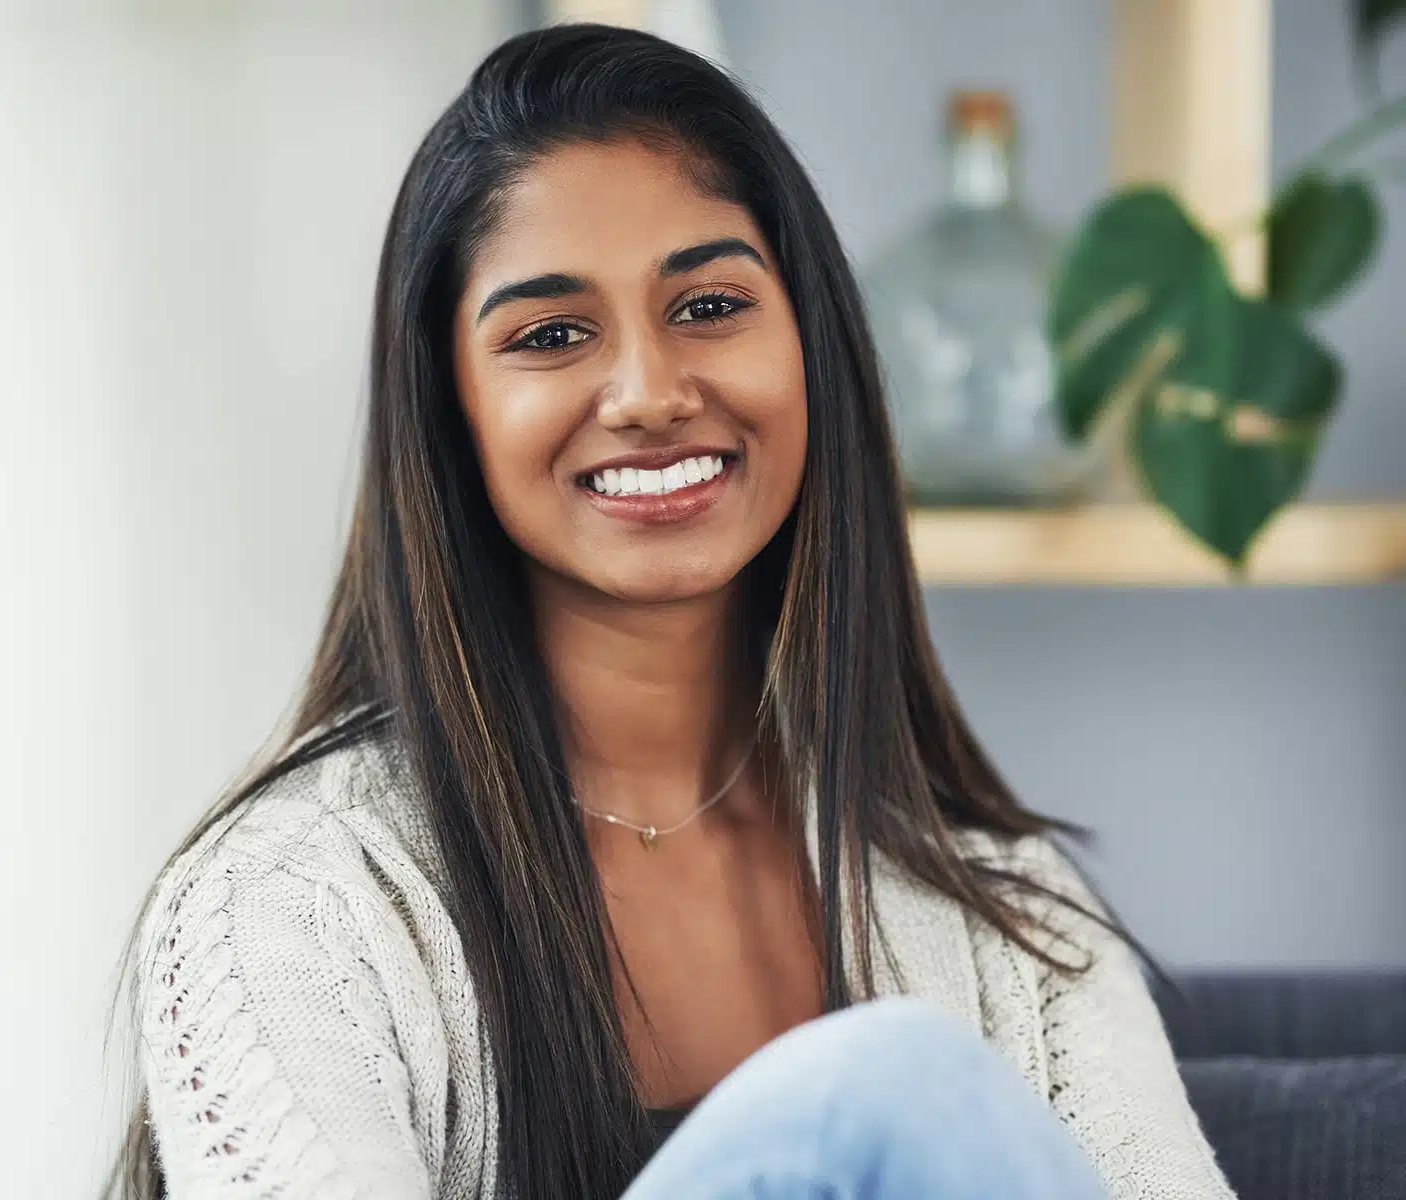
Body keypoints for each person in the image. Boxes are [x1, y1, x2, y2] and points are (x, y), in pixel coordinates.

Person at [107, 23, 1235, 1200]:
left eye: (707, 306)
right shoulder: (295, 898)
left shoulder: (1000, 897)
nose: (648, 394)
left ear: (813, 349)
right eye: (551, 336)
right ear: (452, 412)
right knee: (887, 1086)